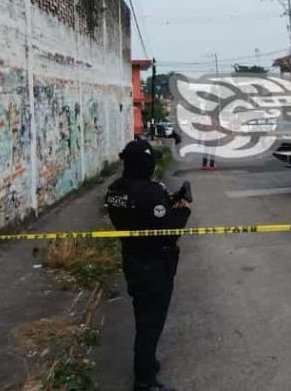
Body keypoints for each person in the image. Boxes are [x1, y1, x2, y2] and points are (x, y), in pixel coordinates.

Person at [105, 138, 191, 391]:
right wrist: (184, 208)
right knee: (151, 322)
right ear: (146, 163)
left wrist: (167, 202)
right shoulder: (150, 192)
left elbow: (144, 216)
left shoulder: (115, 190)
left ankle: (148, 362)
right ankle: (144, 382)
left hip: (132, 259)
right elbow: (169, 230)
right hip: (154, 264)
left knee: (142, 314)